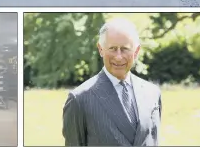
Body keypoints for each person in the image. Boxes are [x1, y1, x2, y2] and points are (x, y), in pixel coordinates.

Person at [62, 18, 162, 146]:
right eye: (113, 49)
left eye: (125, 49)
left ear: (136, 52)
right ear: (100, 49)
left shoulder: (153, 93)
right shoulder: (79, 99)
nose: (119, 56)